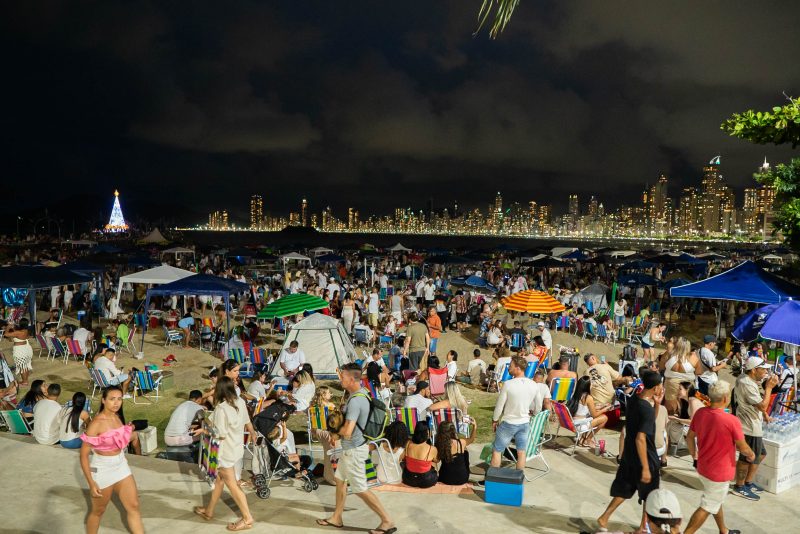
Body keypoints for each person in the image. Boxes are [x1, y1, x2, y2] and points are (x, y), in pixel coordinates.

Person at [316, 363, 395, 534]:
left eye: (343, 377)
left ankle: (387, 521)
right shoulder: (361, 393)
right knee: (340, 480)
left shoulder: (356, 401)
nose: (340, 380)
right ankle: (337, 517)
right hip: (350, 450)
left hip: (354, 451)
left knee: (360, 488)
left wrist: (333, 432)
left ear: (352, 379)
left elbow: (348, 431)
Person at [597, 370, 664, 533]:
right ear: (655, 387)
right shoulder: (646, 409)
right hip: (645, 455)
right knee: (650, 494)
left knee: (627, 488)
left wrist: (657, 404)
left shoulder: (635, 398)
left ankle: (604, 518)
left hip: (630, 454)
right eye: (660, 386)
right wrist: (646, 467)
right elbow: (641, 438)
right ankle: (643, 527)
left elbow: (649, 422)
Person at [683, 381, 752, 534]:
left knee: (714, 499)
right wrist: (751, 454)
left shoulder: (700, 413)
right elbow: (742, 447)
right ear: (725, 398)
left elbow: (689, 437)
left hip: (703, 467)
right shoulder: (732, 421)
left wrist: (694, 455)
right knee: (708, 505)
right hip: (719, 472)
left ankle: (723, 530)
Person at [193, 376, 255, 531]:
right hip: (236, 449)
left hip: (225, 452)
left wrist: (204, 429)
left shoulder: (222, 408)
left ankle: (247, 519)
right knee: (220, 480)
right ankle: (209, 511)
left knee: (233, 486)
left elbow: (219, 433)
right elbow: (247, 420)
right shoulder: (240, 401)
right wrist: (253, 433)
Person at [80, 386, 143, 534]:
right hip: (102, 469)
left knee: (133, 506)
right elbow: (83, 455)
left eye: (119, 399)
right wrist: (91, 483)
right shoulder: (96, 423)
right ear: (103, 400)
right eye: (112, 399)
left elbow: (120, 439)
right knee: (98, 512)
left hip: (121, 465)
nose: (116, 403)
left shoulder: (117, 417)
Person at [731, 356, 779, 500]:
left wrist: (764, 415)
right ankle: (739, 486)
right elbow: (762, 404)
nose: (766, 372)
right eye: (763, 369)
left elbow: (757, 402)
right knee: (747, 458)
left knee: (760, 454)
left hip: (753, 424)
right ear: (753, 370)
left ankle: (748, 482)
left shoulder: (748, 380)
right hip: (748, 426)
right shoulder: (747, 383)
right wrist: (769, 387)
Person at [487, 356, 538, 471]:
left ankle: (493, 480)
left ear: (518, 368)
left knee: (497, 450)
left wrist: (495, 420)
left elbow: (500, 405)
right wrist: (532, 413)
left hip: (509, 423)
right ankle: (518, 479)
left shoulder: (508, 384)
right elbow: (538, 406)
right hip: (524, 423)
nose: (508, 368)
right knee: (521, 452)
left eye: (511, 366)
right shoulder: (533, 384)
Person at [566, 376, 610, 447]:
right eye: (591, 383)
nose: (592, 384)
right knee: (604, 418)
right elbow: (594, 415)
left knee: (590, 415)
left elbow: (583, 408)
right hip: (580, 424)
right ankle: (587, 440)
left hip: (572, 422)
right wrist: (604, 410)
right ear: (587, 386)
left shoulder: (574, 394)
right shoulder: (588, 397)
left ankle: (582, 439)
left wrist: (601, 406)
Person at [435, 419, 477, 485]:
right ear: (453, 431)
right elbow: (471, 439)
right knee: (465, 450)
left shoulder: (439, 444)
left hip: (445, 478)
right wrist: (475, 426)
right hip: (462, 479)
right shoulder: (461, 442)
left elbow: (436, 460)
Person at [663, 337, 698, 414]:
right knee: (686, 407)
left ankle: (670, 421)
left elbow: (661, 365)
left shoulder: (669, 354)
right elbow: (699, 371)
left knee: (670, 407)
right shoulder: (693, 356)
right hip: (687, 384)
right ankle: (683, 421)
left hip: (671, 382)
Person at [402, 421, 439, 488]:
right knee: (432, 463)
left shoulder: (408, 443)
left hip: (408, 479)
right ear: (427, 433)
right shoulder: (431, 448)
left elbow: (404, 458)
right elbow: (437, 460)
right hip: (425, 481)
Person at [4, 319, 33, 386]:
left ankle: (25, 382)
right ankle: (25, 380)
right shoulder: (26, 331)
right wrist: (13, 328)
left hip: (21, 350)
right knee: (25, 365)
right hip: (26, 348)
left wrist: (8, 327)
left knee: (23, 366)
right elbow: (14, 337)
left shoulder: (19, 332)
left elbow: (6, 334)